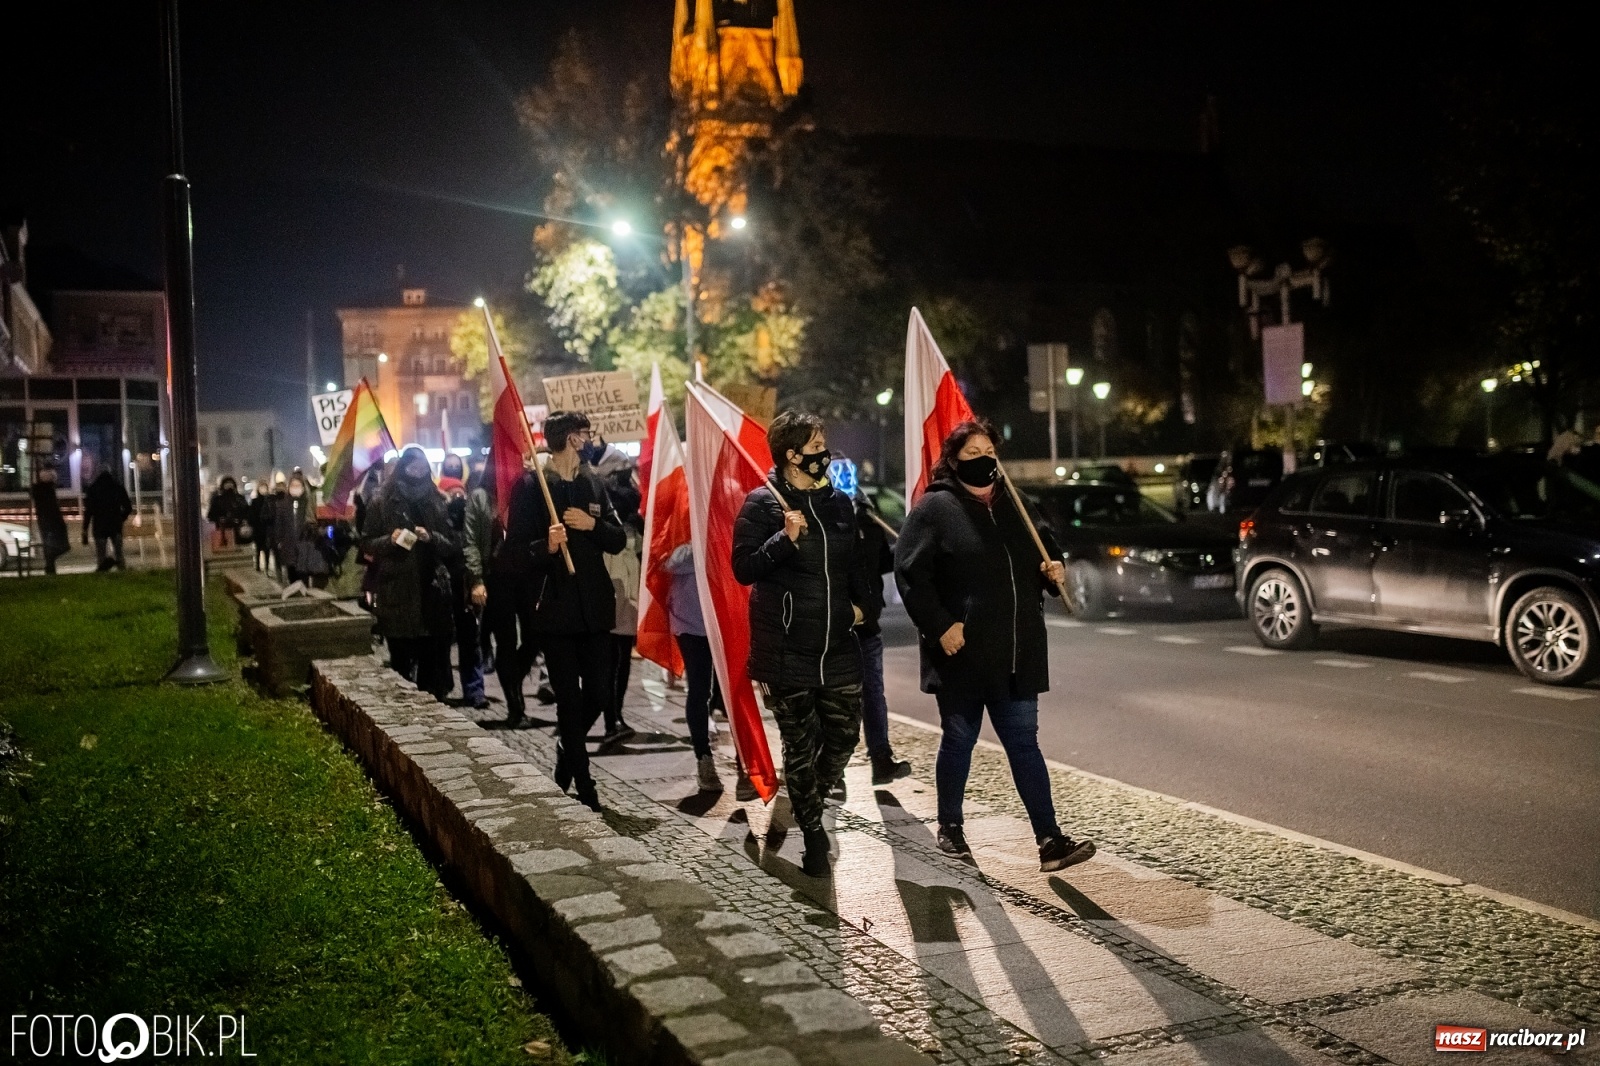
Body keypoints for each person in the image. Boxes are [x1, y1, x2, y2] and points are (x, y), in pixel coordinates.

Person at [894, 419, 1095, 874]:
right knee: (959, 739)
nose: (984, 460)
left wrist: (1054, 569)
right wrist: (940, 626)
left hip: (1017, 651)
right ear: (953, 460)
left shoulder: (1015, 503)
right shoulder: (935, 509)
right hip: (963, 653)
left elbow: (1045, 548)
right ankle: (950, 827)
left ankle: (1050, 840)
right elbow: (911, 574)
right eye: (973, 453)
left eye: (989, 451)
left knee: (1024, 744)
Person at [732, 410, 870, 877]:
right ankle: (812, 832)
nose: (823, 453)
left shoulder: (838, 502)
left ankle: (809, 797)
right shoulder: (761, 504)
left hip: (838, 645)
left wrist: (862, 609)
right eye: (815, 446)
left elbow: (855, 565)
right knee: (800, 743)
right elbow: (743, 568)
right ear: (792, 455)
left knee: (844, 737)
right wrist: (783, 539)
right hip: (787, 648)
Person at [502, 411, 625, 812]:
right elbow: (513, 554)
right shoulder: (531, 486)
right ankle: (584, 782)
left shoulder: (594, 482)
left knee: (600, 693)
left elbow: (618, 538)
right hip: (555, 609)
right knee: (569, 701)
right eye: (586, 434)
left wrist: (592, 526)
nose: (590, 441)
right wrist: (547, 546)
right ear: (572, 438)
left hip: (595, 609)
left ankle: (566, 748)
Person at [365, 446, 459, 699]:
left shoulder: (437, 500)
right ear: (403, 469)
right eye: (412, 468)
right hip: (397, 592)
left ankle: (431, 706)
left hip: (432, 594)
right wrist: (390, 540)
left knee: (430, 662)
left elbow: (452, 544)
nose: (417, 473)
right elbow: (366, 543)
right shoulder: (382, 501)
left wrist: (432, 537)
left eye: (422, 469)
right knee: (401, 663)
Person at [464, 460, 538, 726]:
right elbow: (471, 541)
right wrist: (476, 579)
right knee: (505, 642)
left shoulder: (527, 491)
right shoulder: (480, 497)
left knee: (535, 636)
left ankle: (513, 677)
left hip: (527, 577)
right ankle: (515, 707)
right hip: (497, 578)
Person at [853, 487, 912, 784]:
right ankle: (830, 767)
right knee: (837, 698)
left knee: (873, 692)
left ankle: (881, 758)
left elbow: (879, 562)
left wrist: (906, 547)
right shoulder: (823, 519)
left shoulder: (868, 519)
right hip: (835, 627)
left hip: (868, 624)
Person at [667, 543, 722, 793]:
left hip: (724, 618)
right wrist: (702, 545)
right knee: (700, 690)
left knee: (734, 691)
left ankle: (746, 760)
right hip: (691, 621)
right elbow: (670, 562)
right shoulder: (682, 537)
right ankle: (703, 756)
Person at [440, 474, 487, 709]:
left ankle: (474, 689)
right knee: (442, 640)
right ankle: (443, 685)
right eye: (452, 494)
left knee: (470, 639)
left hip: (465, 585)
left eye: (460, 493)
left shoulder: (470, 516)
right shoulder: (439, 515)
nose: (457, 497)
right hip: (444, 586)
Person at [602, 507, 642, 748]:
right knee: (610, 665)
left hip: (629, 603)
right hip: (611, 601)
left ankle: (617, 714)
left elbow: (640, 548)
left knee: (623, 662)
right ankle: (611, 720)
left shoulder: (633, 526)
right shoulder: (606, 517)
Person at [274, 474, 329, 587]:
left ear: (303, 488)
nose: (295, 488)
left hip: (305, 544)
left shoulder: (307, 503)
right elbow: (279, 525)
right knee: (292, 574)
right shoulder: (282, 504)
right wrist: (279, 541)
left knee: (304, 574)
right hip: (289, 544)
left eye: (298, 485)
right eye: (293, 485)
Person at [82, 467, 133, 572]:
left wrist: (85, 529)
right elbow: (128, 507)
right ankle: (122, 573)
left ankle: (103, 574)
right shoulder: (117, 487)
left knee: (101, 554)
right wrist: (121, 518)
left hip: (99, 526)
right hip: (115, 525)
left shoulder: (93, 488)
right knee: (119, 553)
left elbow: (88, 512)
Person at [30, 468, 70, 575]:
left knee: (50, 548)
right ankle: (50, 566)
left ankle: (50, 567)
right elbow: (53, 509)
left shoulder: (39, 490)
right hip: (52, 524)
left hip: (45, 524)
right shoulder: (48, 491)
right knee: (59, 547)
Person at [207, 476, 248, 548]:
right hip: (222, 530)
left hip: (238, 530)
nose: (229, 486)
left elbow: (246, 512)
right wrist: (220, 519)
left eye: (230, 484)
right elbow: (211, 515)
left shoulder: (240, 499)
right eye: (227, 484)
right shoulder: (218, 499)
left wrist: (240, 519)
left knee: (238, 548)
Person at [248, 478, 276, 573]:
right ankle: (258, 566)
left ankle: (267, 567)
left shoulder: (270, 501)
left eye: (264, 487)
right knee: (258, 549)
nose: (263, 489)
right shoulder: (255, 501)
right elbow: (251, 515)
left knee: (267, 549)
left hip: (267, 529)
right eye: (261, 487)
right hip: (258, 529)